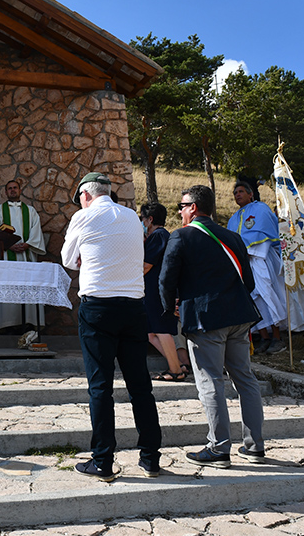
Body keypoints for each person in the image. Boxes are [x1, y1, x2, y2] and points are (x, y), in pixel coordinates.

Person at [61, 172, 161, 481]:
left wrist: (85, 258)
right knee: (140, 385)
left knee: (101, 386)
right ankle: (150, 458)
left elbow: (67, 258)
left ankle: (103, 460)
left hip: (99, 307)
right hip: (133, 306)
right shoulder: (132, 217)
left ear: (86, 196)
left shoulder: (83, 216)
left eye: (80, 198)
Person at [159, 184, 265, 468]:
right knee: (245, 380)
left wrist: (170, 310)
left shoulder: (180, 237)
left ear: (193, 207)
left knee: (210, 382)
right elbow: (250, 282)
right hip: (240, 317)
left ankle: (219, 448)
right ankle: (254, 446)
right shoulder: (232, 236)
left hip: (205, 320)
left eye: (181, 206)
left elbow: (167, 280)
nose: (179, 211)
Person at [227, 179, 288, 355]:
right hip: (244, 266)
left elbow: (266, 233)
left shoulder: (261, 209)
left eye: (241, 191)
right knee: (253, 301)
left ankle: (277, 337)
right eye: (235, 193)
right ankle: (264, 337)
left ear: (250, 193)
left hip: (261, 260)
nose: (237, 195)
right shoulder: (234, 218)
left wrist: (250, 251)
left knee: (268, 296)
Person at [0, 179, 46, 332]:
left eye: (15, 188)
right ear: (5, 192)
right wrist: (9, 245)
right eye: (9, 189)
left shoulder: (31, 211)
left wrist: (28, 244)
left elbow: (36, 231)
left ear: (20, 190)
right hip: (7, 257)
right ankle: (8, 324)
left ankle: (28, 323)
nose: (12, 190)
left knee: (28, 288)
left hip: (26, 257)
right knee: (8, 288)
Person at [140, 202, 187, 382]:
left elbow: (146, 265)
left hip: (157, 290)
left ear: (150, 219)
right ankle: (176, 364)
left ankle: (175, 370)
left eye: (143, 219)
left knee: (160, 330)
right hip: (153, 290)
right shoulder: (158, 236)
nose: (142, 222)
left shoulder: (159, 235)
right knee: (151, 334)